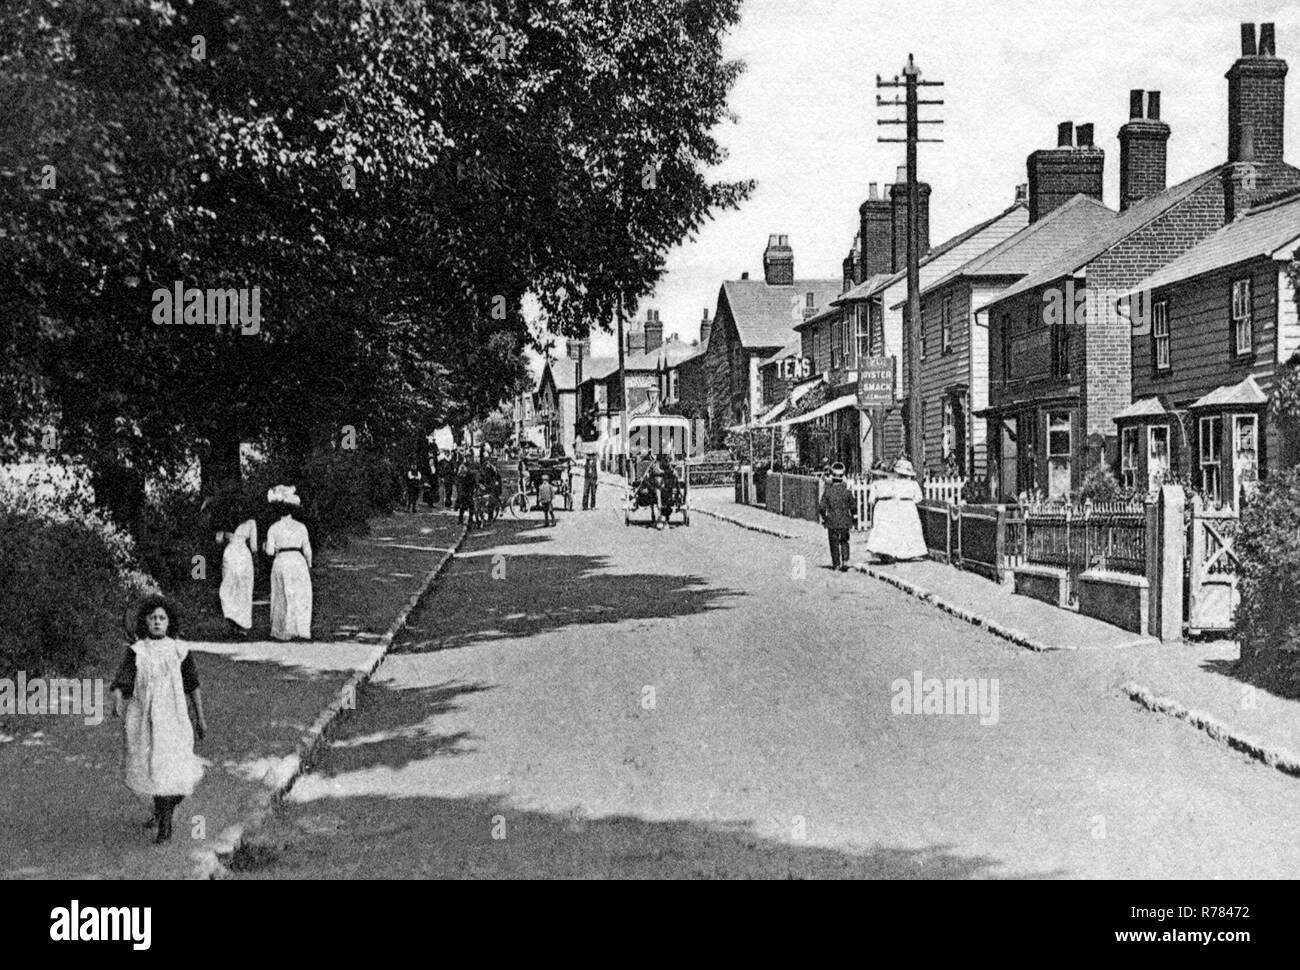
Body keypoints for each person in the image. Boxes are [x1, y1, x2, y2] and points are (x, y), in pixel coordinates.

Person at [111, 595, 207, 844]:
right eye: (152, 617)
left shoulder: (179, 650)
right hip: (144, 717)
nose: (157, 622)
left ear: (169, 622)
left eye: (162, 618)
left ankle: (165, 820)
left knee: (170, 767)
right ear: (145, 621)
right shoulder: (138, 651)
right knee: (151, 765)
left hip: (173, 718)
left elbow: (193, 685)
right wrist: (118, 699)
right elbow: (124, 680)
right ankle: (162, 811)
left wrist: (200, 718)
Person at [265, 485, 313, 640]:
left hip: (282, 561)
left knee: (282, 594)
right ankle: (299, 628)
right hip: (298, 561)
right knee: (299, 594)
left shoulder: (273, 528)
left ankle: (283, 629)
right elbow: (307, 549)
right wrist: (309, 564)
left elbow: (270, 552)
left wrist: (266, 545)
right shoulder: (301, 526)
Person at [865, 457, 927, 563]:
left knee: (895, 529)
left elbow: (889, 496)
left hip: (896, 506)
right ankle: (910, 552)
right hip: (909, 507)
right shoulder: (913, 483)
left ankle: (896, 552)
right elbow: (919, 497)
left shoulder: (894, 483)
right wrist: (912, 502)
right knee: (910, 529)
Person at [218, 514, 257, 638]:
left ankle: (231, 624)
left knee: (229, 589)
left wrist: (226, 537)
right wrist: (256, 564)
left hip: (230, 553)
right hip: (244, 556)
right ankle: (242, 626)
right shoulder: (251, 522)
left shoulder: (224, 519)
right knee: (244, 590)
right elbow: (254, 546)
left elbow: (218, 540)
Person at [818, 462, 857, 571]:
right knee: (844, 540)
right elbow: (853, 507)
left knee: (833, 542)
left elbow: (821, 507)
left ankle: (836, 564)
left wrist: (824, 518)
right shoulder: (847, 492)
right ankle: (845, 560)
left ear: (832, 477)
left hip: (832, 521)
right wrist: (854, 518)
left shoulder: (828, 491)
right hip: (845, 521)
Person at [457, 459, 481, 527]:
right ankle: (470, 520)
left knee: (462, 507)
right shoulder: (470, 474)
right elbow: (474, 483)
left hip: (462, 493)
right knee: (472, 507)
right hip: (468, 493)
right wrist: (477, 485)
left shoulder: (462, 473)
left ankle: (460, 520)